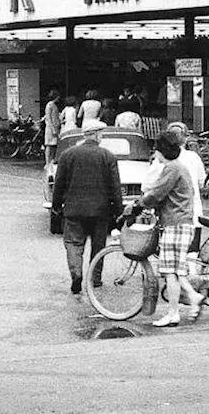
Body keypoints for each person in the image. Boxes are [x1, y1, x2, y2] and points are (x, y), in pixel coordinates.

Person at [132, 131, 202, 327]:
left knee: (169, 271)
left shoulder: (171, 169)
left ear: (161, 151)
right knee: (176, 269)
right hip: (182, 221)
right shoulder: (179, 167)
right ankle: (193, 297)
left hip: (176, 223)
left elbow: (156, 194)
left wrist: (137, 206)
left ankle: (173, 313)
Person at [51, 119, 123, 295]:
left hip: (74, 209)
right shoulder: (107, 156)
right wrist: (118, 211)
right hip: (100, 210)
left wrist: (56, 205)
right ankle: (95, 279)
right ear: (97, 135)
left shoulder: (67, 155)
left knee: (73, 244)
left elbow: (58, 184)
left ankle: (76, 273)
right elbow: (115, 186)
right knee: (98, 246)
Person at [43, 90, 62, 166]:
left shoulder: (52, 105)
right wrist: (53, 129)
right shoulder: (50, 105)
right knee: (49, 145)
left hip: (54, 127)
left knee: (53, 145)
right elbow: (49, 118)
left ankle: (50, 161)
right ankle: (48, 162)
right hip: (51, 128)